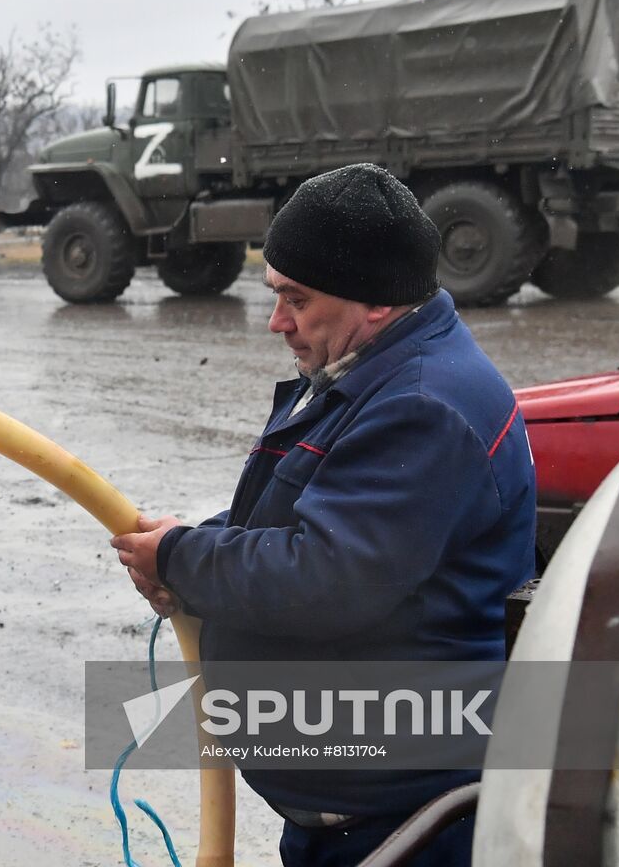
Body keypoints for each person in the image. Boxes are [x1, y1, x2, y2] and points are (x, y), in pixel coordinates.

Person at [112, 163, 536, 867]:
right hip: (349, 812)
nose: (277, 321)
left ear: (372, 299)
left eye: (297, 300)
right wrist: (191, 548)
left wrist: (185, 558)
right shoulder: (372, 373)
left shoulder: (423, 408)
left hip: (404, 824)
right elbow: (299, 520)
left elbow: (325, 577)